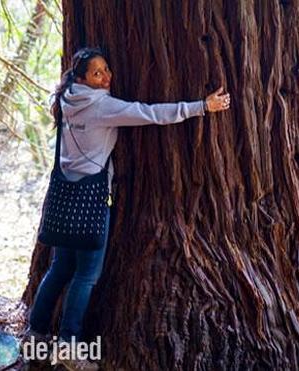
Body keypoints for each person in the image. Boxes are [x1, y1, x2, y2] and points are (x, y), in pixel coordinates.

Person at [23, 47, 230, 371]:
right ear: (82, 78)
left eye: (106, 69)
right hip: (90, 201)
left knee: (60, 269)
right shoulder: (102, 106)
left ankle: (35, 335)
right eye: (97, 73)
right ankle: (67, 346)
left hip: (64, 201)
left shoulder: (65, 100)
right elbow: (151, 113)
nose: (107, 77)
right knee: (86, 276)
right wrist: (202, 106)